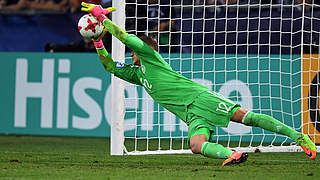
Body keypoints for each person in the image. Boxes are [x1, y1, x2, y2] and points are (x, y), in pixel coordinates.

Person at [81, 2, 317, 166]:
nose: (131, 55)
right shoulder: (139, 74)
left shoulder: (152, 58)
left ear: (146, 50)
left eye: (134, 52)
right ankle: (232, 154)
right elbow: (110, 67)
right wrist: (98, 41)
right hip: (191, 114)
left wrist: (103, 18)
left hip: (200, 98)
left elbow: (125, 37)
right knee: (196, 145)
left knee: (247, 118)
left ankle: (299, 137)